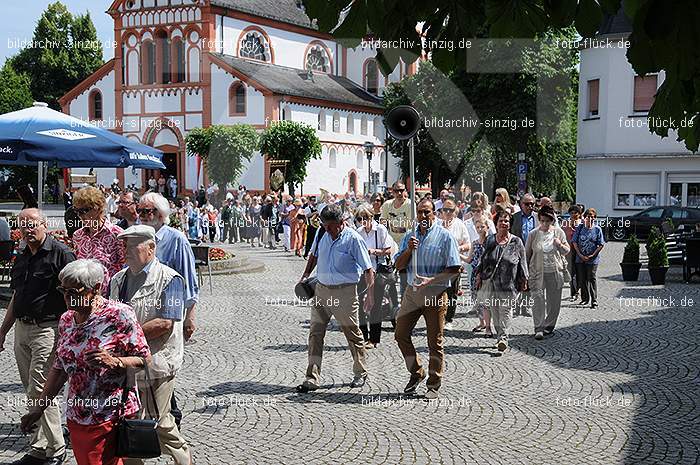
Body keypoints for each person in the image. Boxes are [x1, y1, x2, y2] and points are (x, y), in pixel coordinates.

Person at [19, 259, 150, 465]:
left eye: (74, 292)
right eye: (63, 290)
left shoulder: (119, 315)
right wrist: (39, 408)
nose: (67, 297)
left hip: (110, 414)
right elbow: (59, 368)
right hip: (77, 414)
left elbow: (144, 359)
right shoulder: (66, 319)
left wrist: (115, 361)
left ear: (96, 288)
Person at [110, 226, 192, 465]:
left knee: (160, 420)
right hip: (126, 363)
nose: (126, 251)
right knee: (129, 418)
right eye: (124, 245)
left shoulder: (172, 279)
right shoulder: (118, 279)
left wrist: (126, 336)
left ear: (151, 248)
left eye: (132, 245)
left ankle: (183, 457)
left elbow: (166, 322)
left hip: (158, 362)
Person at [0, 209, 76, 465]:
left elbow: (76, 296)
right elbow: (16, 297)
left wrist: (73, 331)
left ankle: (55, 448)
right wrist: (3, 331)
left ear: (45, 224)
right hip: (22, 328)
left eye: (32, 225)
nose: (27, 230)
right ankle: (39, 446)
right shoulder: (22, 256)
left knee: (40, 387)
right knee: (30, 389)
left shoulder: (61, 254)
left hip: (49, 328)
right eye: (23, 226)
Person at [296, 204, 375, 393]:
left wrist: (370, 296)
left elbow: (368, 269)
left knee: (352, 333)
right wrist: (305, 274)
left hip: (345, 292)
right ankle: (312, 377)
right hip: (321, 291)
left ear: (341, 222)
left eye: (331, 226)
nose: (328, 229)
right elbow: (314, 255)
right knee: (315, 335)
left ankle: (360, 372)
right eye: (325, 225)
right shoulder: (322, 233)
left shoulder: (353, 239)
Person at [138, 193, 198, 429]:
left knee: (162, 365)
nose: (141, 215)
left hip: (167, 314)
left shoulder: (175, 239)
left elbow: (189, 282)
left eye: (147, 211)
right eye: (140, 210)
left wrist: (190, 317)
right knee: (148, 365)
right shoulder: (138, 237)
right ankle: (159, 419)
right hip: (142, 312)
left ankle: (171, 420)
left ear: (161, 215)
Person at [393, 198, 461, 399]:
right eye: (420, 212)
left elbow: (455, 269)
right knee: (400, 334)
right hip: (412, 295)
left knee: (435, 342)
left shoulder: (445, 237)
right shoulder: (409, 236)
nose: (423, 216)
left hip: (435, 295)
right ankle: (417, 372)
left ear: (435, 213)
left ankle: (433, 383)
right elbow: (398, 265)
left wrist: (430, 281)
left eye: (427, 212)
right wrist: (408, 251)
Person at [473, 210, 528, 353]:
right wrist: (479, 274)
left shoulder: (516, 241)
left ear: (510, 224)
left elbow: (523, 261)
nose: (504, 223)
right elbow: (483, 259)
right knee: (495, 311)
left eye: (506, 221)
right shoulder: (490, 240)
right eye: (501, 221)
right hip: (491, 283)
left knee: (505, 310)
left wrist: (524, 278)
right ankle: (499, 336)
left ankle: (503, 338)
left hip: (509, 283)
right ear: (496, 224)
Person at [525, 205, 570, 340]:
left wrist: (559, 245)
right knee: (537, 299)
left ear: (552, 220)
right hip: (537, 272)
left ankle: (549, 326)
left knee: (554, 301)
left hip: (555, 271)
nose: (544, 223)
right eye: (542, 220)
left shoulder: (559, 233)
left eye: (547, 221)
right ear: (539, 219)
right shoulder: (533, 234)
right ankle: (538, 327)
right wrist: (525, 274)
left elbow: (567, 250)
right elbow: (527, 254)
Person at [72, 186, 125, 295]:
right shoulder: (78, 235)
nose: (80, 215)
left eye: (84, 210)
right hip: (84, 296)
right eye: (77, 211)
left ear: (98, 207)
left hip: (110, 295)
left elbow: (124, 267)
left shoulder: (116, 233)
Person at [355, 204, 393, 348]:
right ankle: (363, 335)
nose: (363, 221)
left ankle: (374, 339)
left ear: (371, 216)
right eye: (359, 218)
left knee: (375, 305)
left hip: (378, 270)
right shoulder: (358, 232)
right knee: (358, 303)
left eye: (365, 218)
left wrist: (373, 251)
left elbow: (388, 250)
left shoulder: (380, 230)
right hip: (363, 271)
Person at [438, 198, 470, 330]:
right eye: (445, 210)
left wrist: (459, 248)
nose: (447, 212)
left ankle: (449, 319)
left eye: (450, 210)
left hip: (455, 264)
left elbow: (468, 244)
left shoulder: (460, 225)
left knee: (452, 293)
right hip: (439, 264)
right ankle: (438, 317)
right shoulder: (437, 224)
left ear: (455, 211)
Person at [510, 193, 538, 317]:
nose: (530, 206)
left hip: (533, 255)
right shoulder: (514, 218)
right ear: (521, 204)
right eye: (527, 204)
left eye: (532, 203)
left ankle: (526, 307)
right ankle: (516, 307)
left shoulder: (537, 218)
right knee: (516, 280)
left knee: (530, 282)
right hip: (517, 254)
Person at [572, 208, 605, 309]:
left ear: (595, 218)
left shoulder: (597, 229)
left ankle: (594, 300)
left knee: (591, 278)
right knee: (582, 278)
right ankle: (584, 298)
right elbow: (574, 242)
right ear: (584, 217)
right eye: (588, 216)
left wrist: (592, 255)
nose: (590, 218)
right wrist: (580, 254)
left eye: (592, 216)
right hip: (580, 258)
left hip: (593, 259)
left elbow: (601, 244)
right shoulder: (580, 228)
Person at [466, 217, 491, 336]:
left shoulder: (491, 242)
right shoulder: (475, 243)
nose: (480, 229)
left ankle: (488, 326)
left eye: (482, 227)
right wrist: (457, 253)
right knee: (476, 299)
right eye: (478, 227)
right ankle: (481, 323)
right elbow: (469, 259)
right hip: (475, 275)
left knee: (486, 301)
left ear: (488, 227)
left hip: (487, 275)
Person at [562, 205, 582, 301]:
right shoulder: (565, 223)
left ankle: (581, 290)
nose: (574, 214)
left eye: (576, 213)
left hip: (580, 251)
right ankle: (574, 292)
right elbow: (561, 236)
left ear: (579, 214)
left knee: (580, 272)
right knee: (572, 272)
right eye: (572, 213)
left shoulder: (582, 223)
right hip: (569, 251)